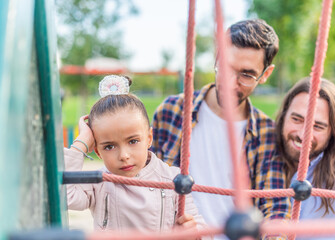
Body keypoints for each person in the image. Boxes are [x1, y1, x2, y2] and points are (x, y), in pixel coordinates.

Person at [151, 19, 291, 236]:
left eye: (246, 74)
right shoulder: (172, 112)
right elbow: (146, 183)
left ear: (265, 74)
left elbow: (277, 207)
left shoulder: (268, 133)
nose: (230, 82)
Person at [65, 75, 208, 236]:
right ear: (97, 151)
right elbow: (65, 195)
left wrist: (193, 233)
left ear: (149, 138)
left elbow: (203, 230)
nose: (124, 155)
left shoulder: (173, 179)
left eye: (133, 141)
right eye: (109, 146)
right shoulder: (99, 182)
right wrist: (81, 142)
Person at [275, 77, 335, 240]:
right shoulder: (269, 147)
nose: (302, 135)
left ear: (334, 131)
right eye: (296, 119)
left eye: (318, 126)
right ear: (284, 115)